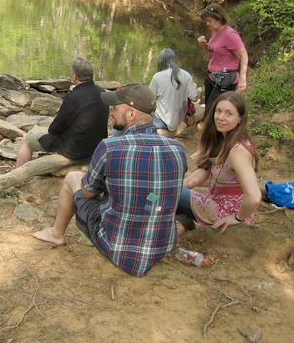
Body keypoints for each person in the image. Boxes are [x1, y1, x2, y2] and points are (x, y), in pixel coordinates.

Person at [33, 84, 188, 277]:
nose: (111, 113)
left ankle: (57, 234)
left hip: (118, 248)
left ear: (131, 114)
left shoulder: (110, 147)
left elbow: (87, 192)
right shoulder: (178, 149)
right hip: (162, 246)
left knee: (73, 178)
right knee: (150, 195)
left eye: (115, 108)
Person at [177, 92, 261, 232]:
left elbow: (254, 197)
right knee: (167, 191)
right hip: (216, 202)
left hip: (224, 212)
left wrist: (237, 218)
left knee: (161, 195)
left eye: (229, 113)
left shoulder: (237, 151)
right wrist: (173, 187)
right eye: (218, 111)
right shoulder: (222, 140)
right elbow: (199, 176)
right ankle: (189, 230)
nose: (221, 117)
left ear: (240, 119)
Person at [15, 56, 109, 167]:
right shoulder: (102, 92)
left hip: (75, 150)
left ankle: (18, 173)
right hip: (96, 147)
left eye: (72, 73)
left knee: (26, 139)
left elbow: (54, 129)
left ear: (75, 76)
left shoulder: (73, 97)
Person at [197, 2, 249, 112]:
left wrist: (243, 79)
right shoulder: (215, 32)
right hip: (211, 77)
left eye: (209, 21)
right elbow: (212, 55)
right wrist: (203, 45)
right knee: (208, 110)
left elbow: (243, 55)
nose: (207, 24)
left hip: (225, 79)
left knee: (212, 111)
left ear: (219, 18)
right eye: (206, 21)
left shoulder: (230, 34)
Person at [149, 48, 199, 135]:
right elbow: (194, 98)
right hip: (179, 120)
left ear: (160, 61)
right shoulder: (186, 75)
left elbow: (149, 99)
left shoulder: (157, 77)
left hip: (161, 122)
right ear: (175, 60)